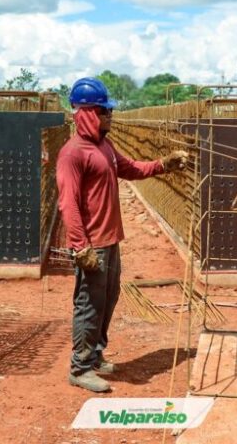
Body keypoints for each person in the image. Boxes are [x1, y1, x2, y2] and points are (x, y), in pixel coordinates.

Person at [56, 77, 188, 393]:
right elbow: (68, 202)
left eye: (109, 112)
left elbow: (129, 168)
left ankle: (95, 355)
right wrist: (80, 246)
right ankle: (80, 366)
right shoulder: (72, 153)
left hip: (110, 239)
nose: (110, 117)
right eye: (104, 112)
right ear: (87, 113)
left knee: (107, 299)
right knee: (89, 303)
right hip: (92, 244)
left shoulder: (104, 146)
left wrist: (163, 164)